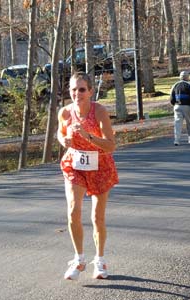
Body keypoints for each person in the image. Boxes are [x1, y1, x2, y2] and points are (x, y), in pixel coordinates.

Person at [57, 72, 119, 280]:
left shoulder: (99, 111)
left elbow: (111, 145)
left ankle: (99, 261)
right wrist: (63, 140)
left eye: (82, 89)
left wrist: (87, 136)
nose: (77, 93)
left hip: (100, 165)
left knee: (97, 217)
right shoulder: (65, 112)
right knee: (73, 211)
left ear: (90, 91)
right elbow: (60, 132)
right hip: (75, 164)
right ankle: (79, 259)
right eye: (73, 89)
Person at [169, 70, 190, 146]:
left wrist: (174, 104)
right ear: (187, 77)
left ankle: (176, 140)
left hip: (177, 106)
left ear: (180, 77)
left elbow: (171, 98)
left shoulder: (175, 85)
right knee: (189, 123)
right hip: (188, 106)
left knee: (177, 124)